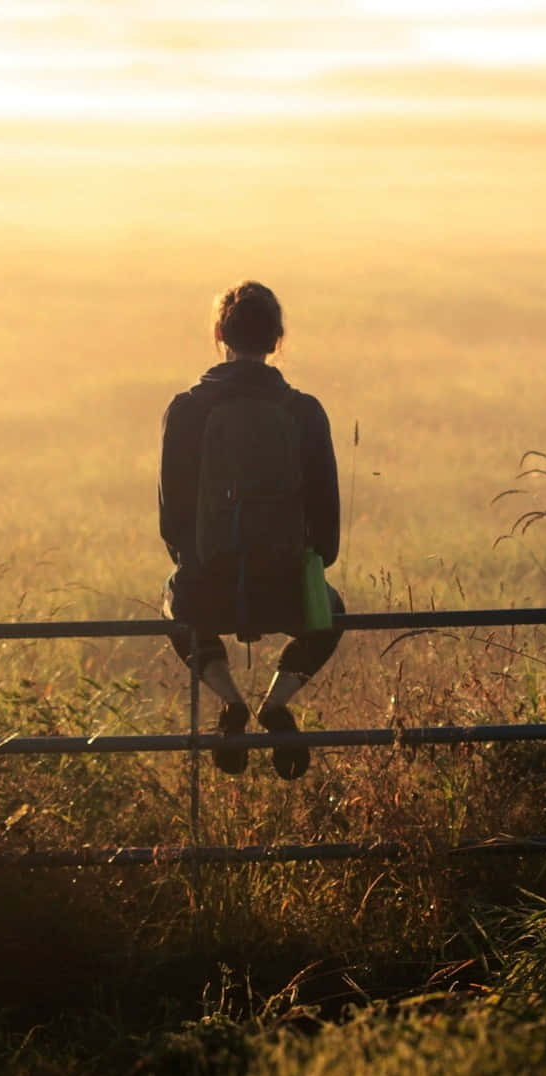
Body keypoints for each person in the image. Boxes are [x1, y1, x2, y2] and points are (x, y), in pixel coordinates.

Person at [159, 281, 345, 780]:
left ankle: (230, 700)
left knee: (174, 605)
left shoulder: (186, 411)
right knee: (333, 612)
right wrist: (300, 562)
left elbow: (171, 521)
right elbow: (328, 529)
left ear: (219, 334)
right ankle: (276, 702)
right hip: (286, 590)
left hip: (210, 592)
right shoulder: (304, 412)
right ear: (278, 339)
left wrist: (202, 565)